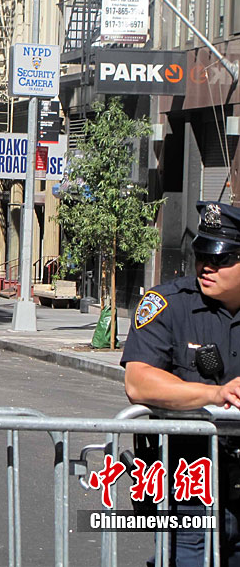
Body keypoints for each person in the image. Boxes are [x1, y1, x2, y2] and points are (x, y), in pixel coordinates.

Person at [122, 201, 240, 566]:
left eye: (221, 258)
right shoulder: (167, 304)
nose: (207, 266)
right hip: (189, 486)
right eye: (202, 255)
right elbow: (139, 382)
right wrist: (215, 394)